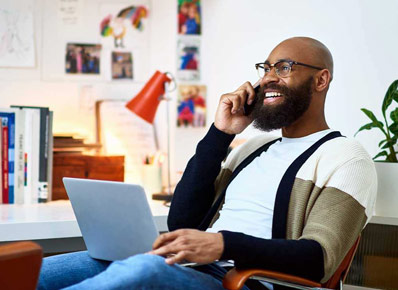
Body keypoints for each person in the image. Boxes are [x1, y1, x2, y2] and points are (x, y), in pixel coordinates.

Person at [38, 37, 377, 290]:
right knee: (42, 270)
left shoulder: (347, 157)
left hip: (241, 282)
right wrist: (220, 133)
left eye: (285, 68)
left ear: (321, 80)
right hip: (190, 267)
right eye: (266, 68)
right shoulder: (254, 148)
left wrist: (222, 244)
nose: (269, 78)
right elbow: (182, 219)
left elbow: (317, 259)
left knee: (141, 273)